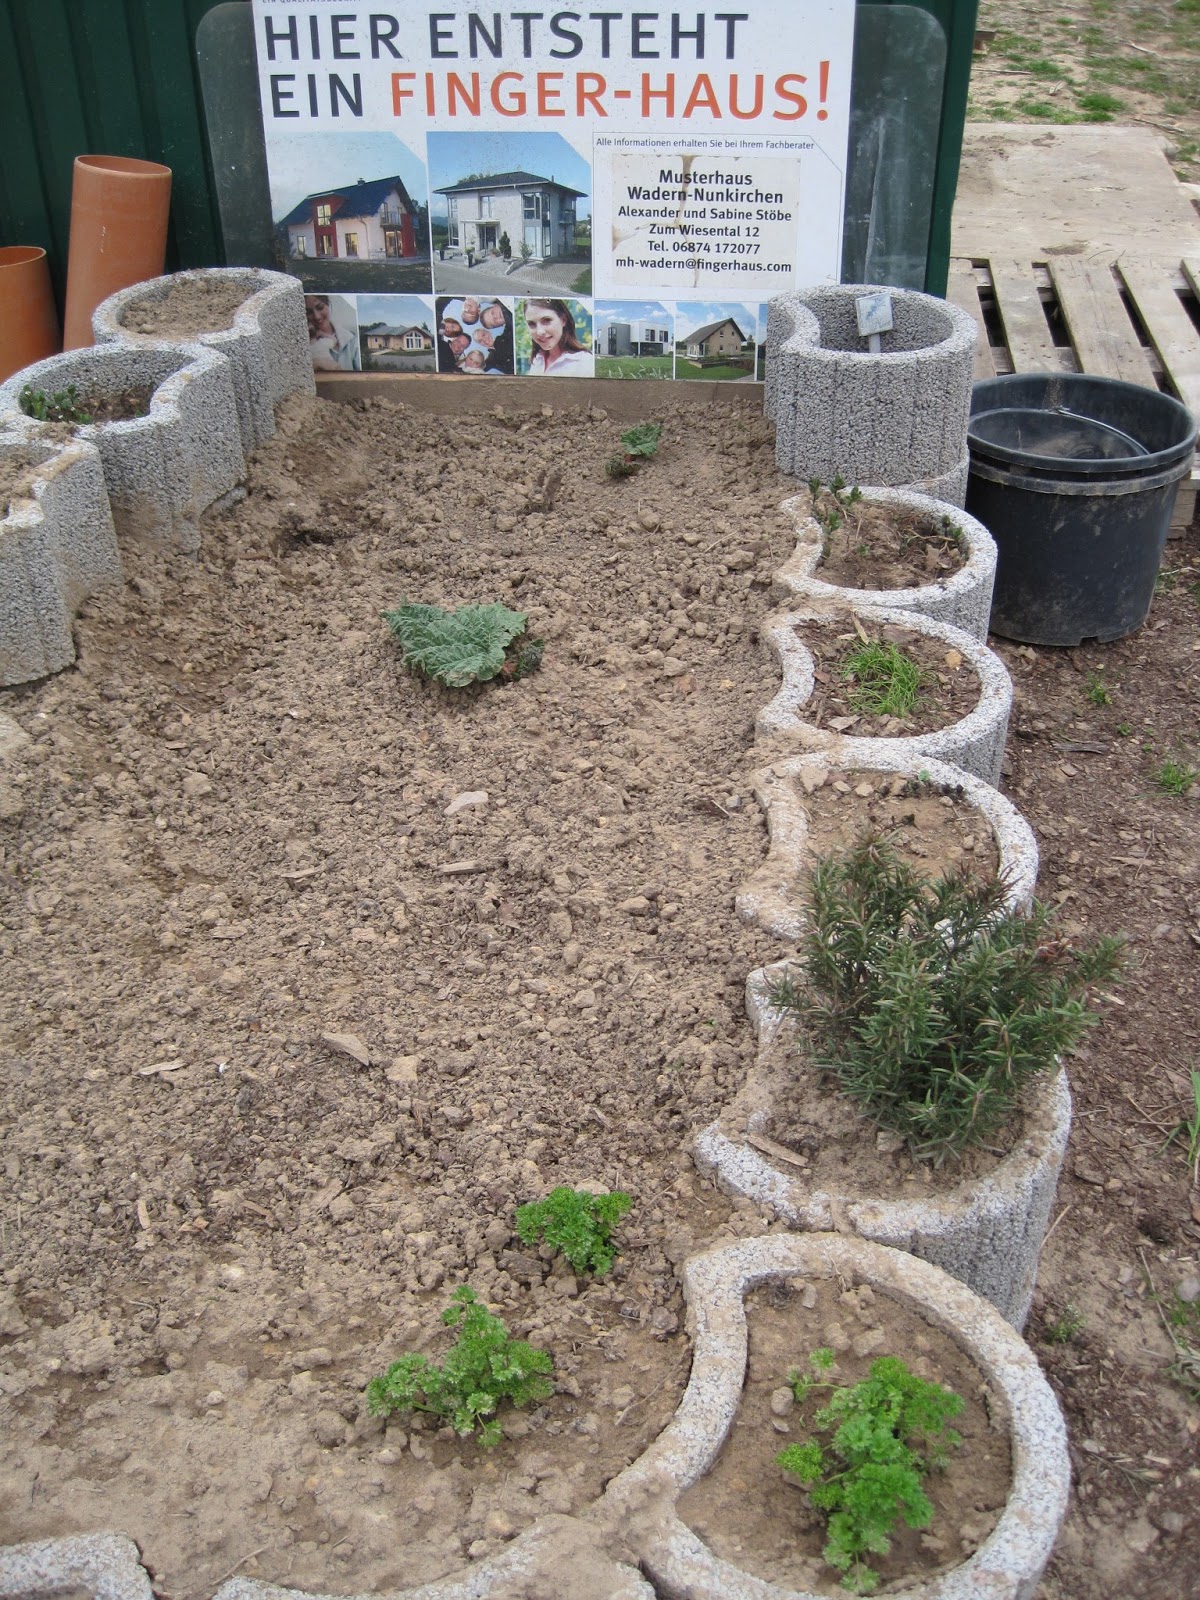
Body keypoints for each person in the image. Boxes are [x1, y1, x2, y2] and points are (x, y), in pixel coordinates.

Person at [523, 299, 593, 376]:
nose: (540, 332)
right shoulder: (537, 359)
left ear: (563, 320)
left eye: (546, 320)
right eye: (532, 324)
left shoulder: (585, 363)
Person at [306, 295, 359, 371]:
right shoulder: (303, 342)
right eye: (309, 312)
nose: (317, 316)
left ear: (328, 304)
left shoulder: (351, 340)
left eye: (320, 307)